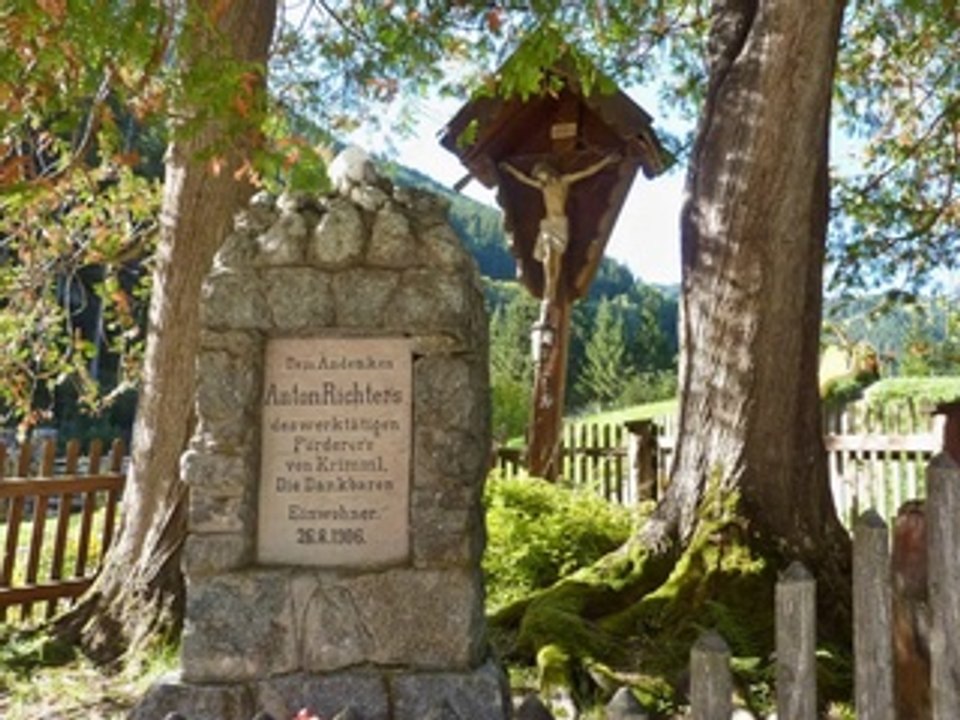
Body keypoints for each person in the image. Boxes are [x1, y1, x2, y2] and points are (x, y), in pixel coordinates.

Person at [500, 153, 619, 306]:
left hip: (560, 224)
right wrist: (510, 169)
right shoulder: (543, 187)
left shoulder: (563, 181)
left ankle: (552, 290)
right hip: (548, 224)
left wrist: (606, 161)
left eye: (540, 175)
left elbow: (586, 172)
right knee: (548, 257)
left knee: (556, 261)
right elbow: (524, 179)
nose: (539, 179)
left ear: (547, 171)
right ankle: (548, 292)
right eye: (538, 177)